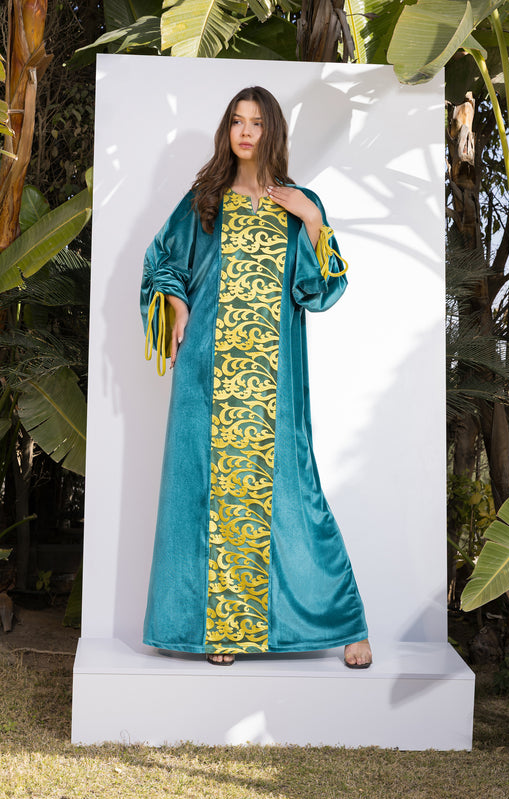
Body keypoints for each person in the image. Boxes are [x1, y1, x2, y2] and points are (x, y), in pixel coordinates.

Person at [141, 86, 372, 669]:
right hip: (206, 376)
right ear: (228, 131)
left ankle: (347, 624)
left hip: (274, 380)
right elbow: (162, 258)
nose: (246, 132)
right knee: (203, 499)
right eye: (237, 122)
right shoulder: (205, 201)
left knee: (297, 497)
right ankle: (221, 630)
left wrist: (312, 219)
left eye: (257, 123)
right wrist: (177, 303)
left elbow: (324, 290)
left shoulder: (299, 203)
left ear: (273, 131)